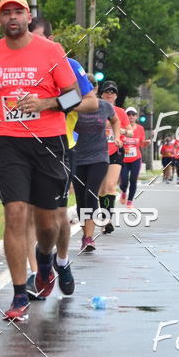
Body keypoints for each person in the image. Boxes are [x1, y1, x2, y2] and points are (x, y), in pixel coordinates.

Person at [0, 0, 80, 320]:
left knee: (48, 223)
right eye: (7, 13)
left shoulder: (51, 51)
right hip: (9, 142)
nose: (13, 17)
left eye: (19, 12)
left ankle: (45, 261)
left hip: (48, 142)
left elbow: (74, 97)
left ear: (28, 16)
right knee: (15, 213)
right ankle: (19, 294)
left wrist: (46, 104)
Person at [25, 16, 98, 297]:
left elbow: (90, 102)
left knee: (56, 216)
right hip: (22, 147)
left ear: (52, 40)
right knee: (27, 214)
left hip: (59, 148)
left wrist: (52, 104)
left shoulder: (68, 65)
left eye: (40, 39)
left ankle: (63, 261)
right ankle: (37, 275)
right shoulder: (18, 68)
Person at [73, 74, 120, 251]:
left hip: (99, 157)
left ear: (95, 88)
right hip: (77, 156)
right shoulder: (72, 104)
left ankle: (88, 238)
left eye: (91, 86)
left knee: (90, 194)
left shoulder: (105, 106)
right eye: (83, 86)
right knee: (80, 198)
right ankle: (85, 233)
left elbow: (115, 120)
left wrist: (117, 136)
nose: (88, 89)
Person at [98, 81, 131, 230]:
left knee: (110, 185)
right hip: (98, 151)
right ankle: (104, 215)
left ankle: (107, 220)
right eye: (107, 92)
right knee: (102, 188)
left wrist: (120, 130)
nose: (109, 94)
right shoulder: (95, 109)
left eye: (112, 92)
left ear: (116, 96)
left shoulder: (120, 112)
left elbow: (130, 132)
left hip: (116, 150)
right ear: (101, 94)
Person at [119, 107, 148, 206]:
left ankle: (130, 201)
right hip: (123, 159)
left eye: (133, 114)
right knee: (124, 181)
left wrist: (146, 143)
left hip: (136, 159)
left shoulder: (140, 128)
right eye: (128, 114)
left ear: (136, 117)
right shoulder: (121, 128)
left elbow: (142, 144)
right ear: (125, 116)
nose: (131, 116)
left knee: (133, 180)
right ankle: (123, 192)